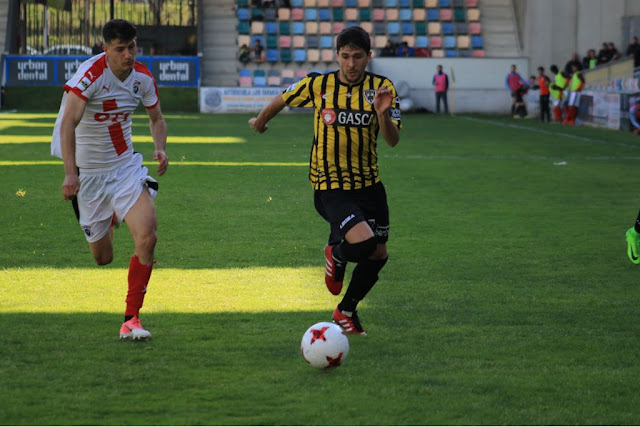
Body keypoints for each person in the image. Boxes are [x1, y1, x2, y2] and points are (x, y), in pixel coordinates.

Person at [248, 26, 401, 335]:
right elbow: (282, 98)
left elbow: (393, 141)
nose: (351, 64)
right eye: (345, 56)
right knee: (366, 243)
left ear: (369, 57)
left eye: (358, 57)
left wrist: (383, 114)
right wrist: (260, 123)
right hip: (330, 185)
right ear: (337, 56)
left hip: (370, 184)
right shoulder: (320, 85)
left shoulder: (382, 87)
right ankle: (337, 254)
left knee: (378, 255)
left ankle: (345, 311)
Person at [51, 19, 169, 340]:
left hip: (124, 169)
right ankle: (112, 213)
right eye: (120, 49)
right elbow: (67, 125)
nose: (128, 55)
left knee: (147, 237)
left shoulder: (142, 78)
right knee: (103, 258)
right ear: (106, 49)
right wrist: (70, 174)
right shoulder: (89, 77)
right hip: (88, 176)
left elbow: (156, 118)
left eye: (132, 46)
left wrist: (160, 148)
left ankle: (131, 319)